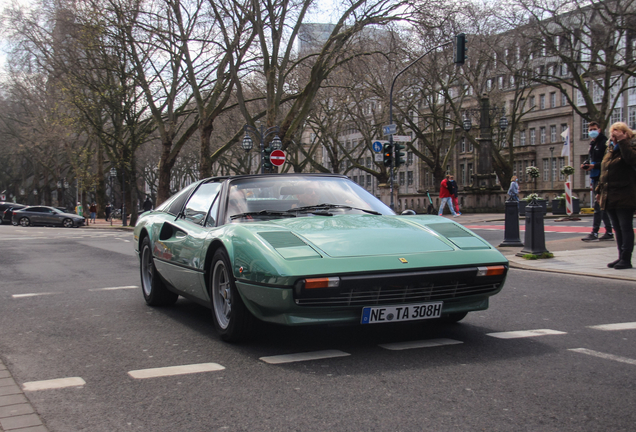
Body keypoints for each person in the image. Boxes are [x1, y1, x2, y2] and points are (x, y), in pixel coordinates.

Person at [596, 122, 636, 270]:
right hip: (610, 194)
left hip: (625, 194)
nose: (614, 136)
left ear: (625, 133)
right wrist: (599, 191)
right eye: (612, 133)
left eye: (617, 133)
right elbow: (604, 172)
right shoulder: (611, 150)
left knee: (625, 227)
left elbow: (631, 159)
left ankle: (626, 258)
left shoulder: (629, 147)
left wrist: (623, 141)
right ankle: (620, 256)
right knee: (617, 228)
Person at [581, 121, 614, 241]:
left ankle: (595, 232)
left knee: (599, 205)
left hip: (602, 177)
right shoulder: (593, 143)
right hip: (595, 176)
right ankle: (608, 231)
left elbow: (607, 163)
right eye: (590, 130)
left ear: (599, 130)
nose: (591, 132)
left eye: (594, 129)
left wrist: (594, 166)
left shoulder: (604, 143)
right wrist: (587, 164)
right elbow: (592, 159)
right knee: (601, 205)